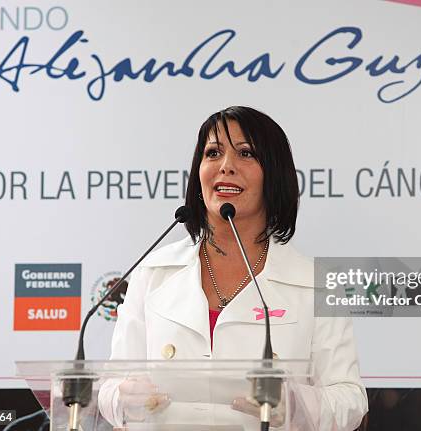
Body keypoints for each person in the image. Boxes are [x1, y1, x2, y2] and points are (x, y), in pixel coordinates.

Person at [98, 106, 368, 430]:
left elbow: (350, 399)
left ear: (274, 174)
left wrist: (294, 406)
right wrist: (122, 399)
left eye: (245, 153)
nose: (226, 166)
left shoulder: (317, 284)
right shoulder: (154, 273)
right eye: (213, 153)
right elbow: (111, 387)